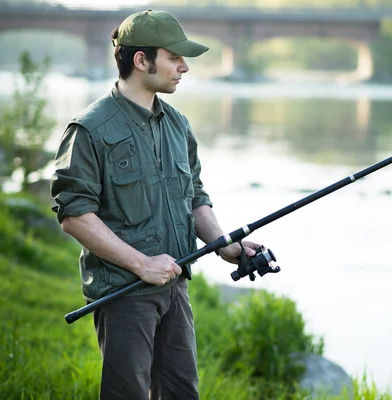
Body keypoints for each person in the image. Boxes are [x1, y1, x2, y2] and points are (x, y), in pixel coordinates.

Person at [50, 9, 260, 400]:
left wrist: (227, 246)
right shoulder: (89, 129)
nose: (184, 67)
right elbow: (75, 216)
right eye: (174, 57)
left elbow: (194, 195)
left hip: (175, 288)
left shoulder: (177, 125)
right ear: (141, 60)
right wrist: (141, 264)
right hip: (124, 296)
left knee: (183, 393)